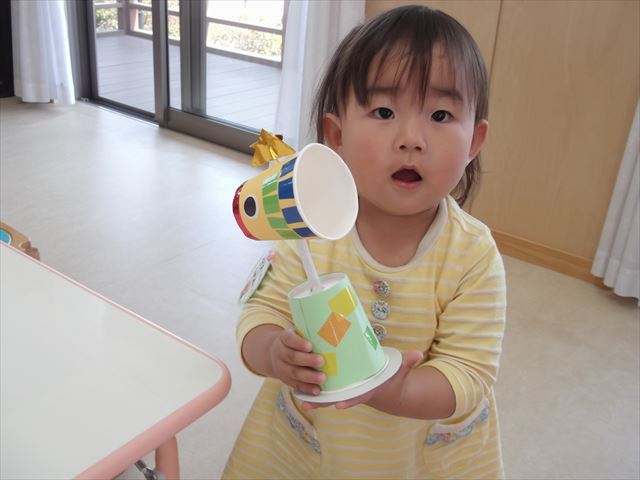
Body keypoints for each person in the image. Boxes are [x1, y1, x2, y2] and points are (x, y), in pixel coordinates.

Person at [223, 5, 506, 479]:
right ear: (337, 135)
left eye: (440, 114)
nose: (411, 139)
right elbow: (259, 312)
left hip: (416, 455)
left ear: (474, 143)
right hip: (311, 444)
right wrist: (273, 351)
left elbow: (469, 373)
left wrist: (396, 392)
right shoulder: (308, 228)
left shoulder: (473, 256)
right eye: (384, 112)